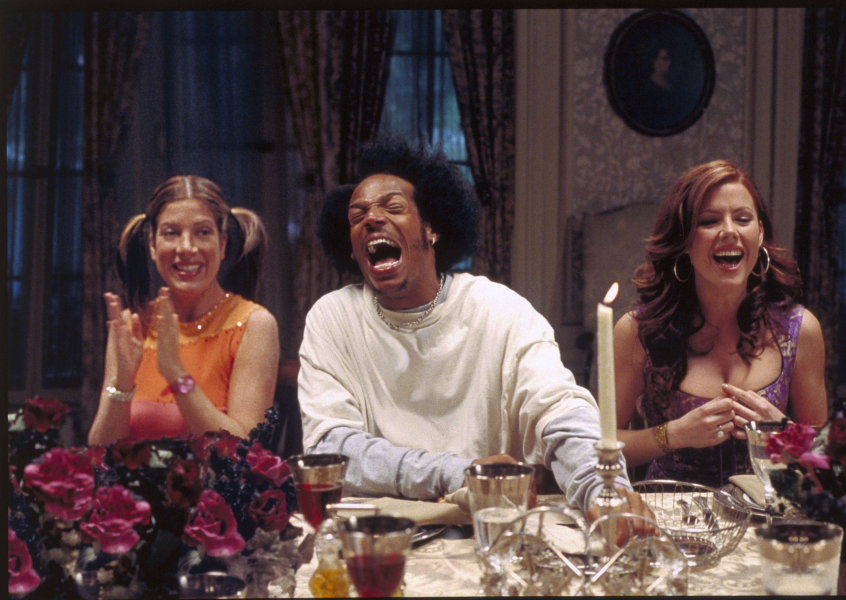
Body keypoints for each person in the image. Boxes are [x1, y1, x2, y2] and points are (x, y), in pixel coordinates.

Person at [298, 134, 650, 518]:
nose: (371, 219)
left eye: (393, 207)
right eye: (357, 217)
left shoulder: (499, 310)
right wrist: (456, 473)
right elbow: (331, 448)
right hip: (372, 536)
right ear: (351, 250)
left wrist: (602, 491)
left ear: (431, 228)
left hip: (485, 530)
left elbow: (562, 413)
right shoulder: (332, 317)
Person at [614, 160, 828, 487]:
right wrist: (673, 434)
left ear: (759, 234)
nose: (729, 231)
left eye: (742, 219)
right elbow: (600, 444)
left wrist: (784, 433)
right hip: (668, 513)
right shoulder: (637, 331)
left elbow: (824, 459)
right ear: (684, 240)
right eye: (709, 221)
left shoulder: (800, 329)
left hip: (766, 514)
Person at [88, 175, 279, 445]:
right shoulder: (131, 326)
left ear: (222, 244)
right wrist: (122, 383)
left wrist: (177, 374)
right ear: (152, 246)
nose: (186, 247)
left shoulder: (255, 325)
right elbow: (100, 451)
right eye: (171, 233)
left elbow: (245, 451)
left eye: (203, 232)